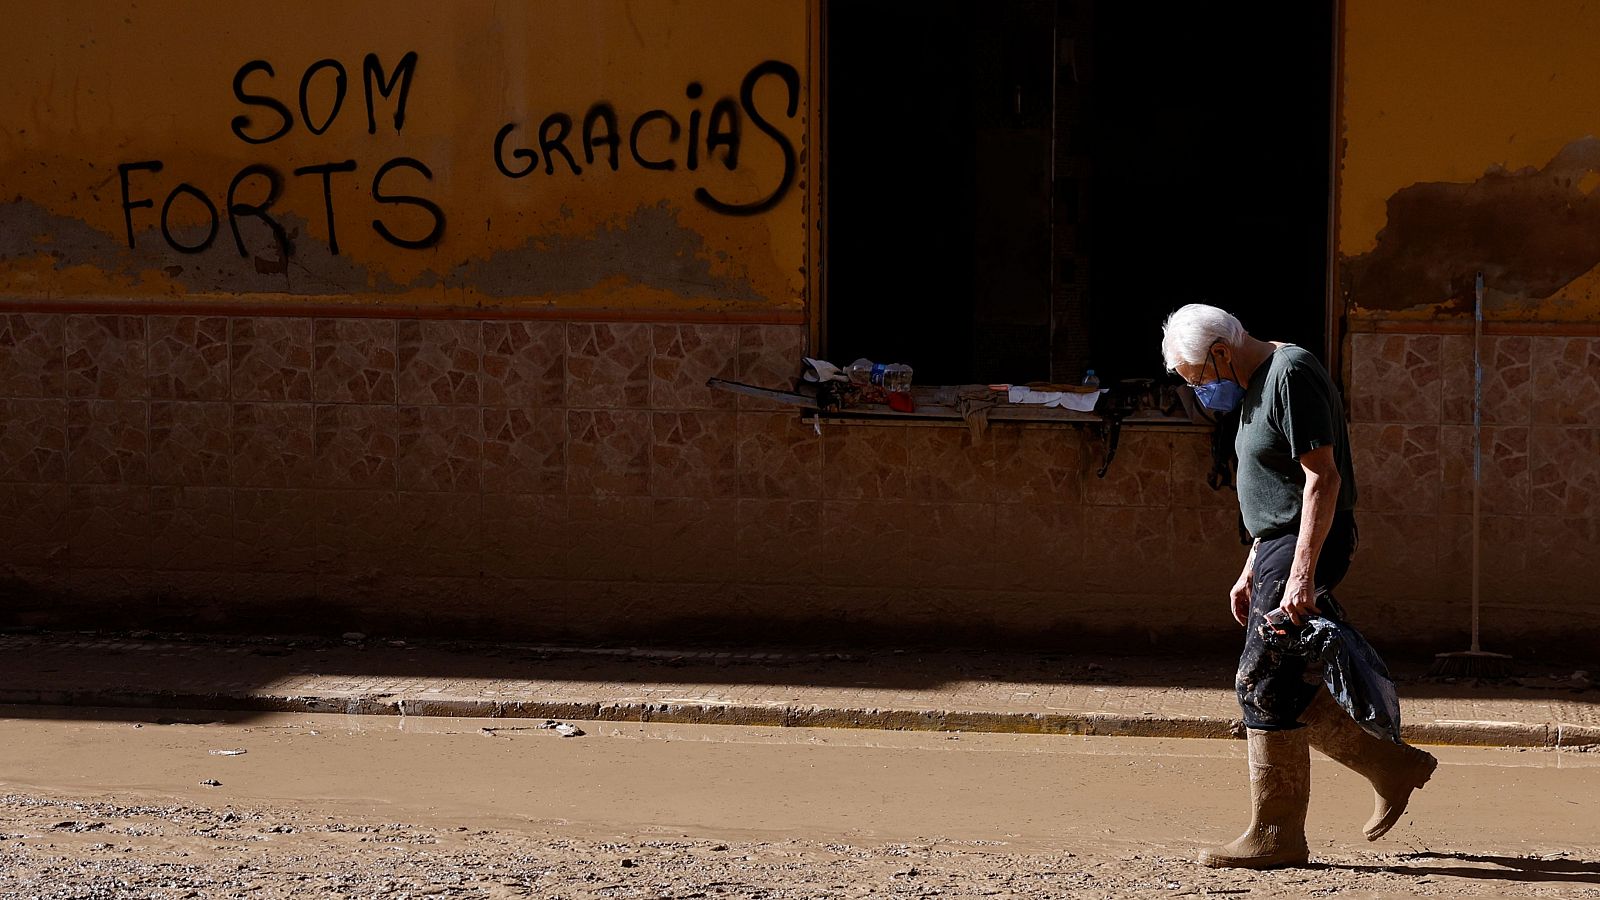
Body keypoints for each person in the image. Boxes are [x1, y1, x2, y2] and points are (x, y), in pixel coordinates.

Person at [1160, 304, 1438, 870]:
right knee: (1277, 684)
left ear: (1220, 351)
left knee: (1258, 679)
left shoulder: (1291, 373)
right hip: (1277, 548)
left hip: (1305, 547)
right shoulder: (1252, 387)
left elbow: (1322, 478)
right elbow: (1272, 491)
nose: (1203, 393)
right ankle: (1390, 767)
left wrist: (1301, 576)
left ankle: (1277, 833)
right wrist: (1250, 568)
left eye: (1199, 380)